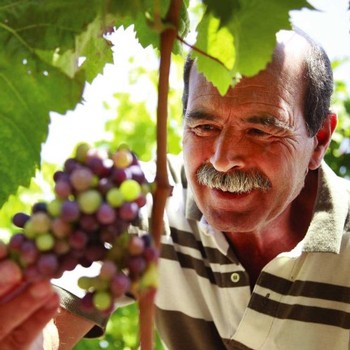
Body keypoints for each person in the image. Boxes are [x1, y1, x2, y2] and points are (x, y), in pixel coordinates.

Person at [1, 27, 349, 349]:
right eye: (204, 126)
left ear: (318, 141)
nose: (222, 159)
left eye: (260, 131)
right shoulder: (141, 202)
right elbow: (41, 329)